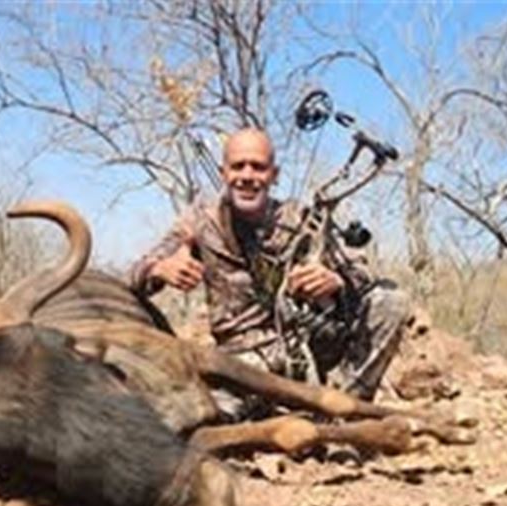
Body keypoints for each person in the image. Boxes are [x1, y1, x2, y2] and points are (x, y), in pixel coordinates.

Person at [130, 128, 410, 419]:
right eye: (238, 166)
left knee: (390, 301)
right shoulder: (201, 221)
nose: (247, 176)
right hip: (244, 362)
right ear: (223, 173)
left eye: (258, 167)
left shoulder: (299, 217)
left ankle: (345, 415)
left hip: (307, 348)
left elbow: (360, 269)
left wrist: (336, 281)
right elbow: (135, 275)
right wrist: (160, 269)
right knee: (203, 417)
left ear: (274, 175)